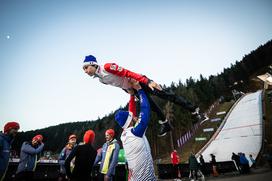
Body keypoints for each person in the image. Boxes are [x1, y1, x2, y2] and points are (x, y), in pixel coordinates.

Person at [83, 55, 208, 137]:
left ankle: (195, 111)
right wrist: (128, 91)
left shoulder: (107, 67)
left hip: (139, 81)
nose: (85, 71)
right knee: (152, 106)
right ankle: (166, 124)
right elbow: (119, 83)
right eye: (83, 69)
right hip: (132, 88)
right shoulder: (101, 80)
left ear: (93, 64)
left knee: (166, 95)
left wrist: (147, 81)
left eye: (86, 67)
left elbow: (127, 72)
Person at [114, 81, 156, 180]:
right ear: (131, 121)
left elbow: (130, 113)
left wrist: (132, 96)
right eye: (133, 118)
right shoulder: (136, 132)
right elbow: (145, 109)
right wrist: (139, 90)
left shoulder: (125, 134)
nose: (135, 117)